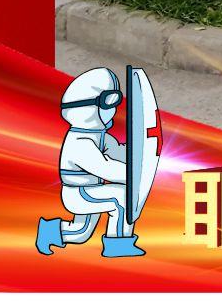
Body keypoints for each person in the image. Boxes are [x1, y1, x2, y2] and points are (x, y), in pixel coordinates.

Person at [34, 68, 143, 257]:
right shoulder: (80, 142)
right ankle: (118, 245)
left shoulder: (98, 136)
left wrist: (137, 149)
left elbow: (118, 152)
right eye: (107, 103)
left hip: (90, 190)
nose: (112, 110)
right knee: (121, 197)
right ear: (87, 109)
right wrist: (135, 174)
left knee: (80, 233)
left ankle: (49, 231)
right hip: (78, 193)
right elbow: (105, 168)